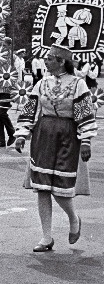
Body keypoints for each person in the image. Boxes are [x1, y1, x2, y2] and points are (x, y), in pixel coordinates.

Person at [14, 45, 97, 252]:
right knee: (42, 187)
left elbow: (85, 114)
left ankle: (73, 219)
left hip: (68, 136)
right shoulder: (42, 84)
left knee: (61, 187)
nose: (46, 62)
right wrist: (22, 134)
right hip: (44, 135)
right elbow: (31, 109)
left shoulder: (79, 84)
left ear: (61, 61)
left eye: (50, 59)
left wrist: (85, 140)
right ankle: (46, 237)